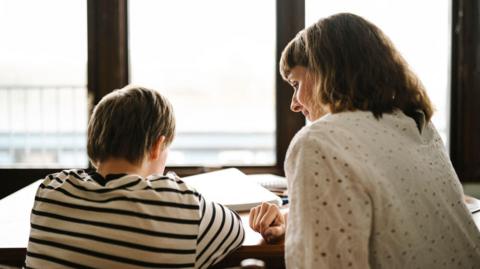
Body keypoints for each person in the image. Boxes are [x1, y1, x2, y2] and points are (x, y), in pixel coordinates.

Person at [249, 13, 480, 268]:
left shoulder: (318, 144)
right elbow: (394, 220)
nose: (294, 104)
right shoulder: (417, 126)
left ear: (326, 72)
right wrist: (295, 220)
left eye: (295, 84)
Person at [25, 85, 245, 268]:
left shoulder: (51, 191)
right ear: (157, 147)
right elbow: (235, 229)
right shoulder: (182, 204)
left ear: (94, 143)